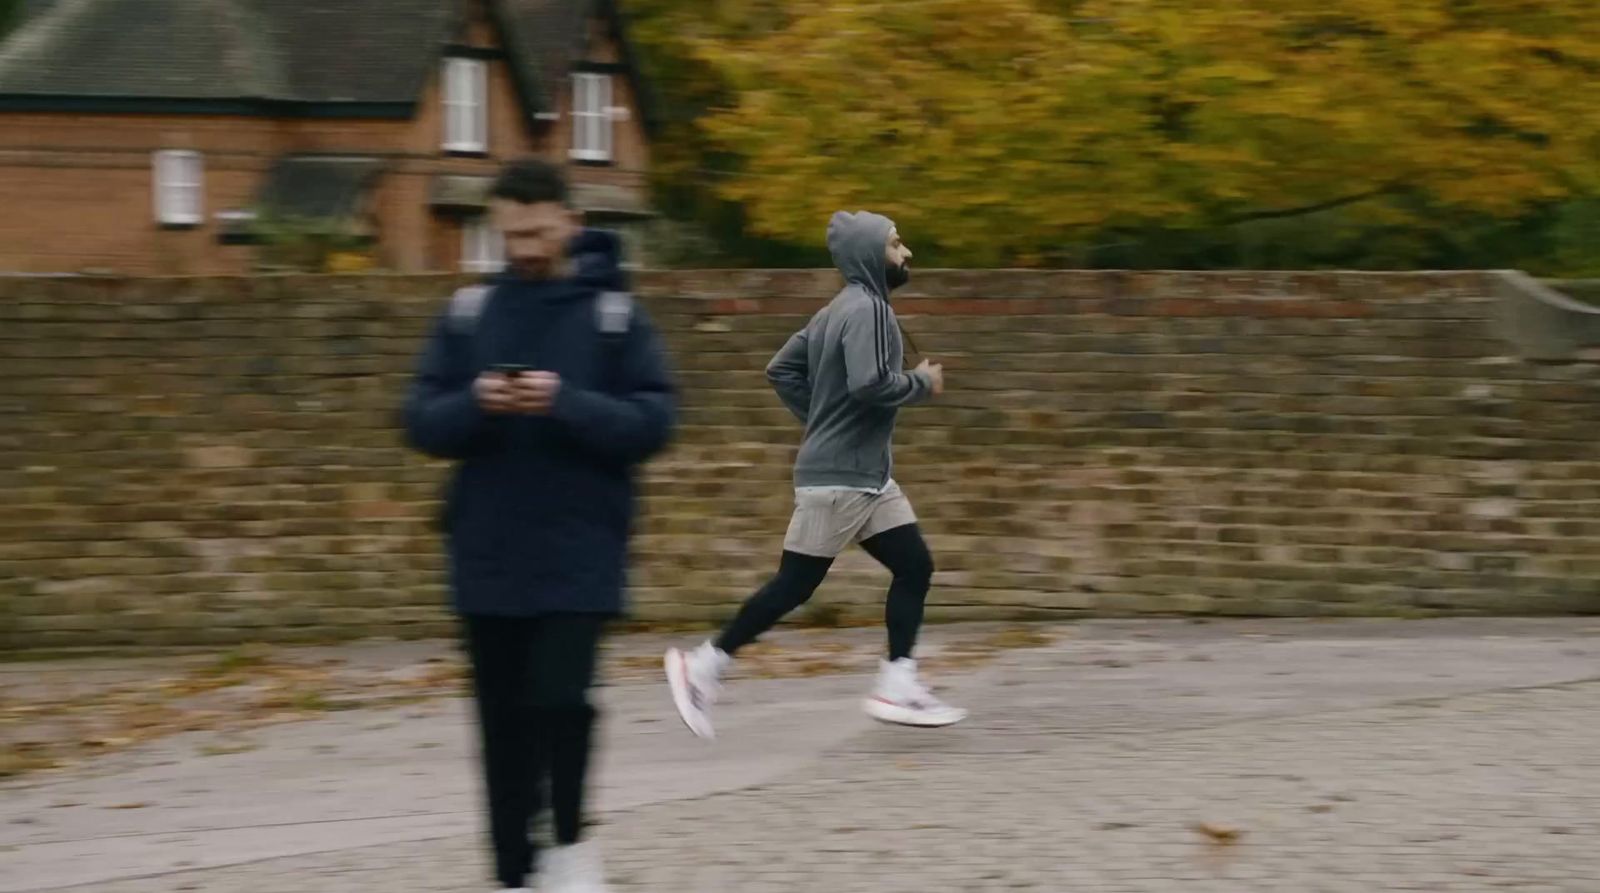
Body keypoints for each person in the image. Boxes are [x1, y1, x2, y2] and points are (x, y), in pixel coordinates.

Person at [403, 159, 675, 893]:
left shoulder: (615, 317)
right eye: (510, 231)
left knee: (560, 697)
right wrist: (478, 402)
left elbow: (654, 422)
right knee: (499, 720)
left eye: (536, 230)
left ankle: (569, 842)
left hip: (581, 546)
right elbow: (421, 421)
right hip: (486, 549)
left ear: (569, 223)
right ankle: (513, 870)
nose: (522, 246)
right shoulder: (467, 314)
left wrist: (563, 400)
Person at [665, 210, 966, 739]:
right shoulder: (869, 310)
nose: (907, 252)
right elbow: (869, 385)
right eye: (897, 244)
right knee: (794, 586)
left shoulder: (834, 312)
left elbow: (780, 369)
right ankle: (704, 664)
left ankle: (898, 683)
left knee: (914, 566)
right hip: (843, 480)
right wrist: (919, 384)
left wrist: (823, 423)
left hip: (867, 478)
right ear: (872, 254)